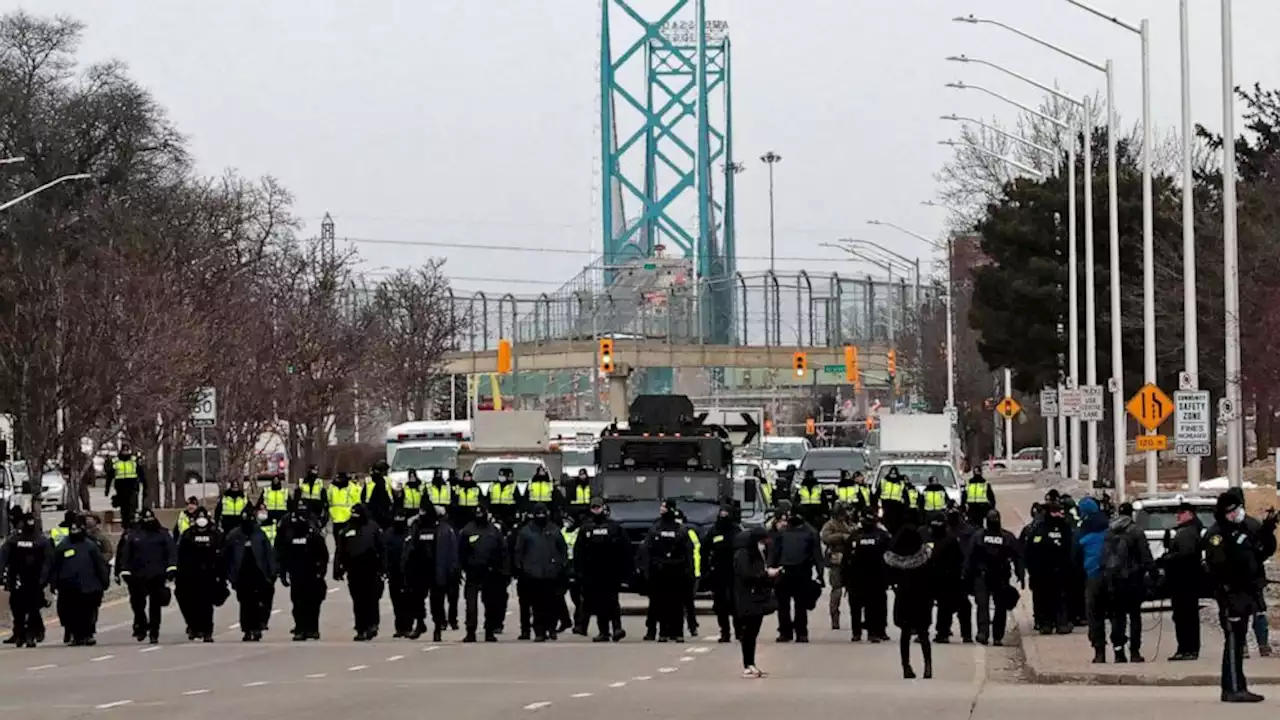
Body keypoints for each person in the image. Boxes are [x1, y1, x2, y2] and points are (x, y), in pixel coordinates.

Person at [1204, 491, 1274, 703]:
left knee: (1239, 637)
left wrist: (1267, 532)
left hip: (1248, 591)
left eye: (1238, 508)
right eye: (1232, 511)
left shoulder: (1247, 527)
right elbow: (1219, 565)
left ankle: (1238, 685)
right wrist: (1232, 586)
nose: (1237, 513)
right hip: (1231, 593)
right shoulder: (1217, 534)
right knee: (1234, 640)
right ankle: (1232, 688)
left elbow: (1260, 553)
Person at [1101, 502, 1154, 662]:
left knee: (1117, 617)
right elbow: (1145, 556)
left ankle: (1118, 652)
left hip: (1113, 580)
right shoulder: (1136, 531)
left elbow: (1104, 557)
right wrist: (1154, 575)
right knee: (1135, 617)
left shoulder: (1110, 531)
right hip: (1132, 580)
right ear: (1131, 514)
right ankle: (1135, 652)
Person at [116, 507, 177, 644]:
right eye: (146, 518)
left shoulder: (162, 534)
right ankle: (141, 624)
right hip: (138, 576)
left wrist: (171, 568)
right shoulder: (134, 535)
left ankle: (154, 632)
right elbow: (126, 554)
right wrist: (124, 570)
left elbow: (171, 552)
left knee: (155, 606)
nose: (149, 521)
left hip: (157, 575)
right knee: (137, 604)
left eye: (151, 518)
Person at [885, 513, 934, 679]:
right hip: (921, 596)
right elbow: (930, 576)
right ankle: (928, 665)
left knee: (905, 633)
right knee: (923, 633)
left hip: (904, 595)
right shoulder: (924, 558)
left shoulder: (895, 560)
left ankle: (906, 666)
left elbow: (889, 576)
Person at [49, 515, 110, 646]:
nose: (75, 532)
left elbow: (100, 565)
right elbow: (55, 565)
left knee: (88, 611)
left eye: (77, 529)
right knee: (69, 612)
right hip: (68, 587)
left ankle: (87, 634)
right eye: (73, 530)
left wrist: (104, 582)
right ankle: (75, 635)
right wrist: (53, 583)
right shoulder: (62, 546)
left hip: (88, 585)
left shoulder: (90, 546)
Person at [404, 503, 460, 641]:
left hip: (437, 571)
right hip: (419, 571)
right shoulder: (416, 528)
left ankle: (437, 627)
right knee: (416, 599)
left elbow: (452, 552)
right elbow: (409, 549)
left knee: (437, 602)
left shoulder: (444, 530)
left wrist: (452, 572)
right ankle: (420, 623)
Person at [967, 509, 1022, 647]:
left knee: (992, 606)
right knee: (988, 606)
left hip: (995, 576)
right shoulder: (1006, 537)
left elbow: (969, 556)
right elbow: (1018, 557)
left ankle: (989, 634)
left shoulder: (980, 536)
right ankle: (988, 634)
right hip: (988, 575)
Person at [514, 503, 568, 642]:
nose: (540, 516)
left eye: (543, 514)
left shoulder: (554, 530)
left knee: (551, 603)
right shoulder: (526, 531)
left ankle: (551, 628)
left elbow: (563, 550)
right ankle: (539, 631)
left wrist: (560, 565)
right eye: (538, 514)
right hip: (532, 574)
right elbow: (519, 551)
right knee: (537, 605)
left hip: (551, 574)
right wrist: (521, 568)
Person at [642, 499, 694, 642]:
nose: (661, 509)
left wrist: (689, 570)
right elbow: (648, 550)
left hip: (677, 572)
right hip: (660, 572)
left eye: (664, 507)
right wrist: (648, 570)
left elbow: (687, 551)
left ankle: (677, 632)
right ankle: (663, 632)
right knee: (661, 603)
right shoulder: (656, 527)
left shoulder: (680, 529)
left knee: (676, 604)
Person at [576, 498, 626, 642]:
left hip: (610, 572)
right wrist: (579, 572)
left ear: (604, 508)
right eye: (594, 507)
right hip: (592, 573)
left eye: (598, 507)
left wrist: (624, 571)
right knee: (598, 603)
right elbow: (579, 551)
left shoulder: (614, 527)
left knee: (612, 601)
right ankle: (603, 632)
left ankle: (617, 628)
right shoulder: (586, 528)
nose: (596, 510)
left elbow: (623, 549)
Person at [224, 507, 276, 642]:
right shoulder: (234, 535)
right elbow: (227, 557)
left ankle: (258, 626)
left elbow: (268, 553)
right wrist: (229, 575)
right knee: (245, 604)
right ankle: (247, 630)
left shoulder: (259, 534)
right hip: (242, 575)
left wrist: (272, 572)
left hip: (259, 573)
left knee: (261, 601)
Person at [770, 507, 823, 643]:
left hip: (788, 571)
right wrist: (820, 574)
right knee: (797, 604)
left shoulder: (783, 533)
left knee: (786, 604)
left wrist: (771, 569)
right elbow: (817, 556)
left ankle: (787, 632)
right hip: (798, 571)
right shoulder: (810, 532)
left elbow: (774, 554)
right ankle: (799, 633)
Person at [0, 510, 52, 647]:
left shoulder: (41, 541)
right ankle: (20, 633)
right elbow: (3, 558)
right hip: (17, 579)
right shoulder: (14, 540)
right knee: (18, 609)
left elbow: (48, 561)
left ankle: (32, 633)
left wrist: (44, 579)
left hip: (34, 580)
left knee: (33, 608)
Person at [335, 503, 385, 641]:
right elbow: (340, 550)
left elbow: (382, 548)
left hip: (371, 569)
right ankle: (361, 628)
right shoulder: (346, 530)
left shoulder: (373, 528)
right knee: (358, 601)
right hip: (354, 569)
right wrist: (338, 568)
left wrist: (383, 568)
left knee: (372, 599)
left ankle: (372, 625)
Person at [733, 527, 778, 678]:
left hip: (757, 597)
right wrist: (766, 574)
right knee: (748, 633)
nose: (764, 544)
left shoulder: (759, 554)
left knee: (753, 633)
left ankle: (752, 664)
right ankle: (747, 664)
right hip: (747, 598)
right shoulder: (743, 554)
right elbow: (747, 575)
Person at [278, 508, 329, 641]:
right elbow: (282, 553)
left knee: (313, 602)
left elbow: (323, 554)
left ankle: (313, 629)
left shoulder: (313, 535)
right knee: (298, 604)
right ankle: (300, 629)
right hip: (296, 574)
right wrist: (282, 572)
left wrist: (321, 571)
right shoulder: (289, 536)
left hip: (312, 574)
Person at [1162, 502, 1204, 661]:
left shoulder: (1186, 533)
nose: (1177, 515)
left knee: (1184, 616)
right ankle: (1189, 648)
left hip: (1184, 582)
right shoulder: (1188, 530)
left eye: (1182, 512)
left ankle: (1187, 649)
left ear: (1190, 514)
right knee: (1187, 616)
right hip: (1186, 581)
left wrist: (1166, 559)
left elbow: (1185, 556)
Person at [459, 505, 507, 642]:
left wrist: (502, 570)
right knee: (471, 604)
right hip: (472, 572)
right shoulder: (468, 530)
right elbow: (461, 551)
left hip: (490, 572)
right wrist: (463, 567)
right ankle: (470, 631)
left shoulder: (494, 531)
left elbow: (502, 551)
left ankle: (489, 630)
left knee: (491, 603)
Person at [176, 506, 224, 642]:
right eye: (199, 517)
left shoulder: (215, 534)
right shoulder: (187, 534)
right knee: (191, 603)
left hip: (209, 574)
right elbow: (180, 554)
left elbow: (221, 554)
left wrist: (221, 575)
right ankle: (194, 627)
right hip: (190, 575)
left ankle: (207, 631)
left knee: (207, 605)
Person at [1025, 501, 1073, 635]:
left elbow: (1070, 549)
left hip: (1061, 570)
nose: (1058, 515)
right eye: (1055, 512)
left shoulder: (1065, 528)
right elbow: (1030, 549)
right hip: (1043, 571)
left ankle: (1061, 623)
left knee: (1061, 598)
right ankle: (1046, 623)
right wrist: (1031, 570)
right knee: (1044, 597)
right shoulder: (1039, 528)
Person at [844, 506, 891, 642]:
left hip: (874, 577)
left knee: (873, 606)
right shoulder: (856, 536)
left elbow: (889, 556)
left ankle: (874, 632)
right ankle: (859, 632)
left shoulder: (881, 536)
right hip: (859, 577)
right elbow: (847, 557)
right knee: (859, 606)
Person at [931, 509, 972, 644]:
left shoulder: (950, 540)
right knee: (945, 608)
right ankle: (944, 633)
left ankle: (964, 634)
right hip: (941, 578)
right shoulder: (933, 539)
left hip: (951, 579)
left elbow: (959, 559)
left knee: (960, 606)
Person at [703, 503, 741, 643]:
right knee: (720, 605)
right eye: (722, 512)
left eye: (726, 513)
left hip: (734, 572)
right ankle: (725, 632)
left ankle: (739, 631)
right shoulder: (714, 531)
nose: (724, 515)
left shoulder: (737, 531)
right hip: (718, 572)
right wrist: (705, 568)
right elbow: (704, 549)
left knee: (736, 603)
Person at [820, 502, 854, 631]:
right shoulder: (831, 524)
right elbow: (825, 537)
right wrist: (841, 536)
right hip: (837, 560)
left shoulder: (850, 523)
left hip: (850, 559)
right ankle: (835, 618)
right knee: (837, 590)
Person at [383, 506, 413, 638]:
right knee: (396, 600)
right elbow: (384, 551)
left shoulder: (411, 533)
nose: (399, 520)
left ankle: (407, 626)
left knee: (408, 600)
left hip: (408, 572)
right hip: (393, 572)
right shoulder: (388, 533)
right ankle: (400, 627)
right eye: (397, 517)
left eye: (401, 517)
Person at [105, 444, 145, 530]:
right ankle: (126, 526)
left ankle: (132, 525)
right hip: (121, 489)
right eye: (124, 450)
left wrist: (145, 486)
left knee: (133, 507)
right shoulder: (115, 461)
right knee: (124, 510)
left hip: (132, 488)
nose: (125, 452)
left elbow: (141, 474)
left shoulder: (134, 461)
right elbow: (110, 476)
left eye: (127, 450)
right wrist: (107, 489)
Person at [877, 467, 910, 533]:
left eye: (894, 474)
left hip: (897, 507)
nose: (893, 476)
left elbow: (906, 498)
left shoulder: (901, 483)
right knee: (885, 523)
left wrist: (905, 509)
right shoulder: (883, 481)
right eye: (891, 474)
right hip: (885, 506)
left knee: (896, 525)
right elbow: (877, 494)